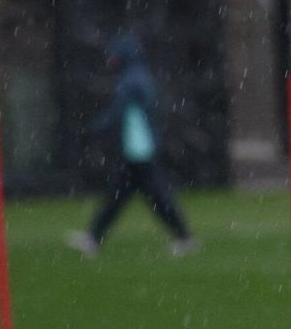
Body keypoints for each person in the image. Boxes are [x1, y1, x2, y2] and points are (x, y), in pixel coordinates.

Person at [67, 35, 197, 257]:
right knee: (127, 195)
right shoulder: (137, 76)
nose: (111, 59)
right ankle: (94, 237)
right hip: (138, 149)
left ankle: (183, 237)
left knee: (144, 195)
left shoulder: (131, 80)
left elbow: (119, 111)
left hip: (138, 150)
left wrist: (94, 128)